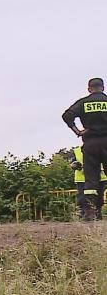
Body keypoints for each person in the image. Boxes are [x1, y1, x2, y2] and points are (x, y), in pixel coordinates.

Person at [62, 78, 107, 220]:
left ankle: (90, 212)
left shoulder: (83, 103)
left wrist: (78, 131)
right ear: (103, 88)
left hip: (90, 143)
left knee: (91, 179)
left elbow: (67, 115)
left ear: (89, 89)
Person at [69, 146, 106, 219]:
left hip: (100, 178)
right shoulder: (77, 151)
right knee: (82, 197)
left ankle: (97, 213)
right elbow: (72, 163)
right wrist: (75, 164)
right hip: (82, 179)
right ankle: (84, 213)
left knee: (99, 197)